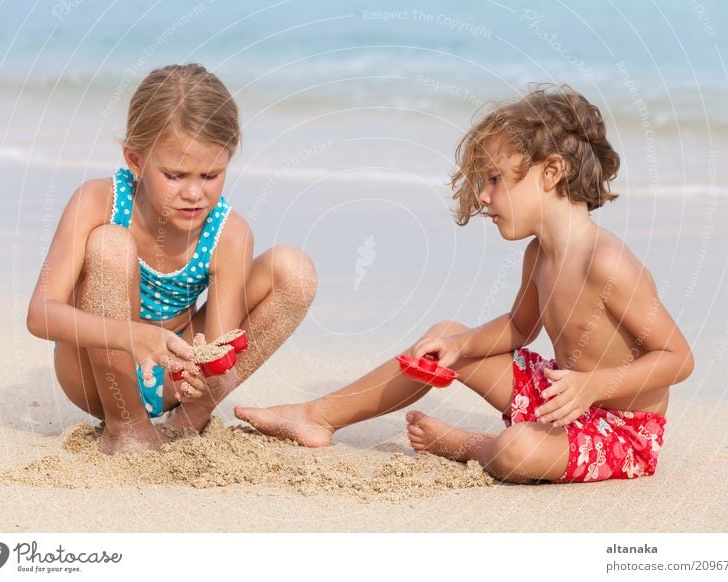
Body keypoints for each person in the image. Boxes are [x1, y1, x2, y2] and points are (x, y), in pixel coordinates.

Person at [235, 84, 694, 484]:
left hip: (622, 429)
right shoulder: (539, 254)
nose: (483, 195)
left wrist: (592, 386)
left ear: (551, 173)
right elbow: (520, 327)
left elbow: (678, 358)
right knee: (442, 339)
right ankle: (319, 417)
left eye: (495, 179)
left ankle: (470, 446)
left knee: (519, 449)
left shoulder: (607, 262)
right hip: (563, 397)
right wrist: (460, 344)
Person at [27, 64, 317, 454]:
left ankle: (187, 422)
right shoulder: (98, 201)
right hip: (95, 376)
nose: (195, 193)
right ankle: (126, 426)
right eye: (175, 175)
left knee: (293, 271)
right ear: (135, 159)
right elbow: (41, 314)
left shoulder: (229, 234)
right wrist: (133, 337)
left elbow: (216, 345)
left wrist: (210, 381)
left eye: (211, 175)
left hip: (171, 380)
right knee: (110, 244)